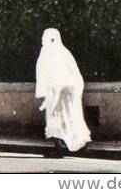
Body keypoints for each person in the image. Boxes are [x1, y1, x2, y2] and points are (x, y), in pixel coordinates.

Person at [35, 28, 91, 156]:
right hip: (70, 91)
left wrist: (50, 94)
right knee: (72, 116)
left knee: (55, 118)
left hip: (58, 91)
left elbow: (50, 74)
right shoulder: (64, 52)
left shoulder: (49, 52)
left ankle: (58, 149)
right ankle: (81, 142)